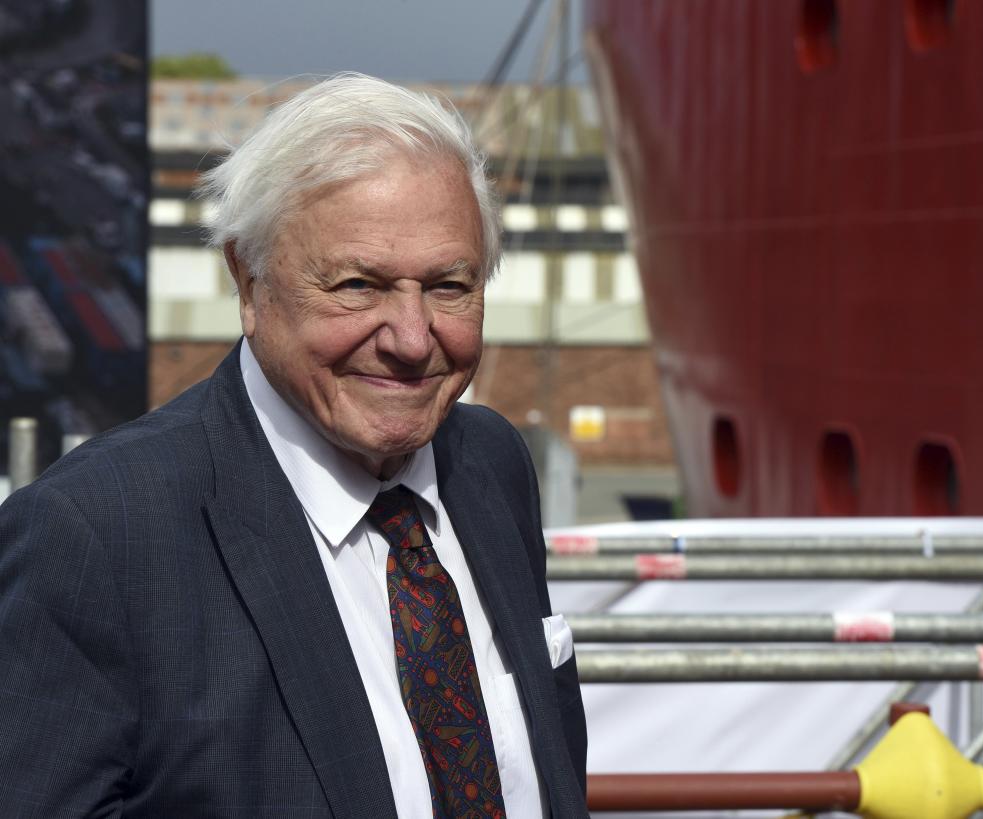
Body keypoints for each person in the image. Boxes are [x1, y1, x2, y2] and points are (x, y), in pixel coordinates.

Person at [0, 72, 588, 818]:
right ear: (249, 283)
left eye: (448, 286)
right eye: (357, 285)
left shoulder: (492, 464)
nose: (412, 339)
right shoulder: (95, 535)